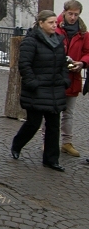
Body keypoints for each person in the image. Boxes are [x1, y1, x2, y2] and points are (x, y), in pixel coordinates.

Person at [11, 10, 69, 172]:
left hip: (54, 89)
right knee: (33, 123)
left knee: (53, 126)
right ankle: (17, 144)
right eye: (50, 23)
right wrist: (33, 82)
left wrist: (65, 80)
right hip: (36, 90)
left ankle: (51, 159)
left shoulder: (58, 41)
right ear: (41, 23)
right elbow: (25, 64)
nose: (54, 26)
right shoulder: (31, 41)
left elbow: (63, 64)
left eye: (55, 23)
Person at [52, 0, 89, 157]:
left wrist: (82, 62)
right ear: (64, 12)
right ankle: (49, 142)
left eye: (76, 14)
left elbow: (87, 52)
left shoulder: (83, 33)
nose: (73, 17)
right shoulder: (55, 29)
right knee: (52, 112)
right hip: (55, 77)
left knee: (69, 112)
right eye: (70, 14)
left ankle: (67, 142)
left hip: (73, 76)